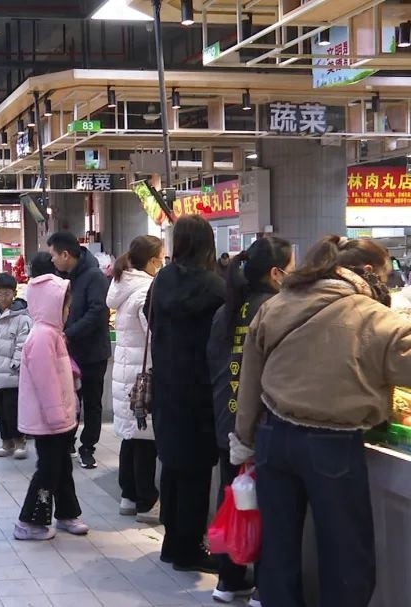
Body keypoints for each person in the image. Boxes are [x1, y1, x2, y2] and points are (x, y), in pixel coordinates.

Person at [230, 236, 411, 607]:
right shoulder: (374, 316)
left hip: (272, 440)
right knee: (347, 556)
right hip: (333, 445)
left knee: (278, 550)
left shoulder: (277, 304)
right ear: (367, 272)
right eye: (385, 274)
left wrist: (244, 438)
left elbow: (250, 381)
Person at [206, 236, 293, 605]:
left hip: (226, 420)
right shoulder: (278, 308)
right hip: (263, 425)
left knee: (236, 500)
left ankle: (229, 579)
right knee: (270, 508)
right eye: (292, 268)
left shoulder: (228, 309)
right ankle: (264, 586)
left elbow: (213, 362)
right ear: (276, 273)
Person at [147, 215, 225, 573]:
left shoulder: (162, 279)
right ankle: (189, 548)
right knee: (196, 472)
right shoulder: (215, 286)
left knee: (174, 467)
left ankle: (171, 542)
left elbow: (148, 315)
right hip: (201, 389)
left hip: (166, 386)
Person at [14, 252, 88, 541]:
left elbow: (59, 366)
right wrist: (59, 416)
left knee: (61, 465)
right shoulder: (44, 335)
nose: (68, 310)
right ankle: (28, 521)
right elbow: (46, 381)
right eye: (65, 304)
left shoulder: (50, 333)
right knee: (48, 469)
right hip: (49, 419)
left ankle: (67, 513)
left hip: (56, 418)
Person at [106, 235, 164, 524]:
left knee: (131, 437)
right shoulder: (144, 291)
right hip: (145, 375)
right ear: (152, 260)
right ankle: (146, 502)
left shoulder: (123, 285)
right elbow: (153, 334)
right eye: (161, 258)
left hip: (126, 373)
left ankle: (128, 496)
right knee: (144, 440)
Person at [47, 232, 111, 469]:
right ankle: (68, 442)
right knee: (70, 399)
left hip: (92, 352)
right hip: (70, 351)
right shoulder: (65, 276)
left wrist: (69, 333)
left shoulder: (93, 276)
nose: (52, 260)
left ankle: (88, 447)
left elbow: (97, 312)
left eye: (54, 255)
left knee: (92, 402)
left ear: (65, 254)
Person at [0, 273, 32, 458]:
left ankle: (19, 441)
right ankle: (6, 442)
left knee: (13, 410)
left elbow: (23, 343)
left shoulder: (22, 318)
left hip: (12, 374)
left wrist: (16, 363)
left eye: (7, 293)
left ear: (14, 293)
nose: (3, 298)